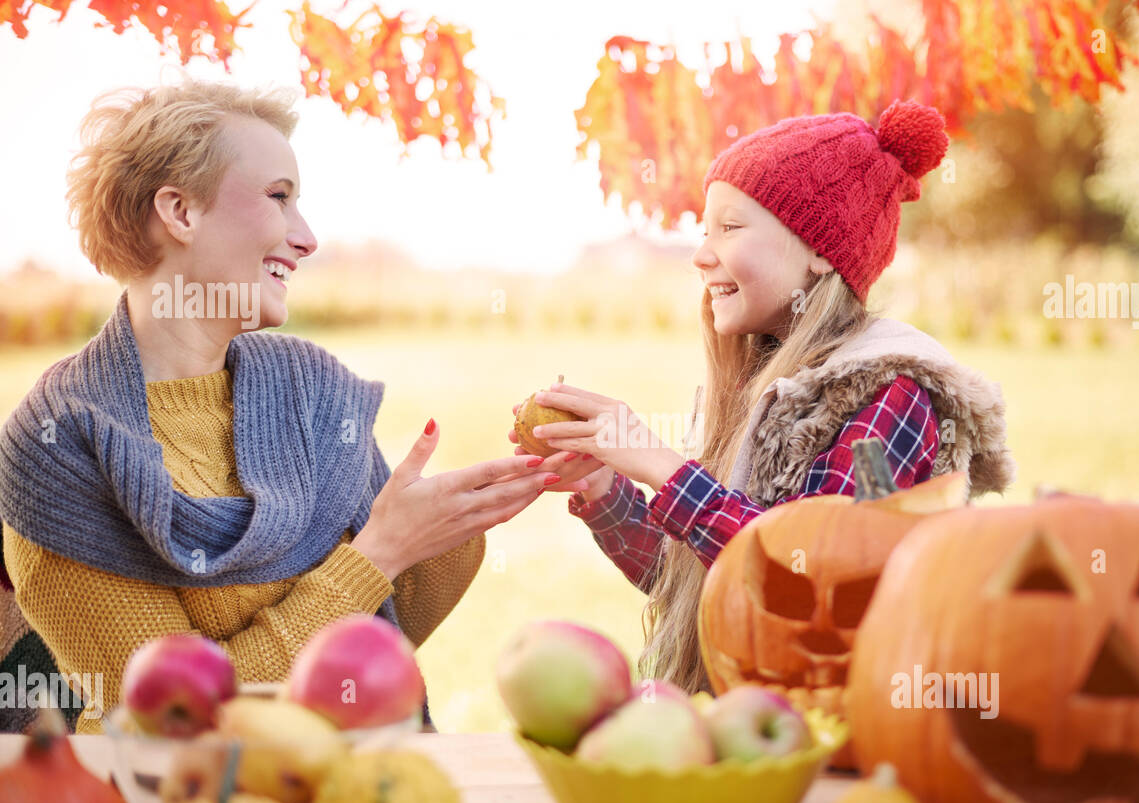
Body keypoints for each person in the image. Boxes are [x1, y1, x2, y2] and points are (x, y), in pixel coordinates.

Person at [0, 79, 564, 733]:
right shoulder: (62, 448)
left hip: (365, 789)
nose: (307, 237)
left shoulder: (307, 389)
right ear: (179, 211)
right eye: (279, 198)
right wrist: (376, 555)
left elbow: (388, 625)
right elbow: (181, 723)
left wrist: (484, 499)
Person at [510, 101, 1017, 693]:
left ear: (819, 251)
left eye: (730, 227)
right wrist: (602, 487)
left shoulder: (890, 395)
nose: (701, 255)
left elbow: (813, 585)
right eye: (705, 230)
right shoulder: (761, 385)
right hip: (749, 726)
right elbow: (708, 580)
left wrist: (667, 470)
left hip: (834, 729)